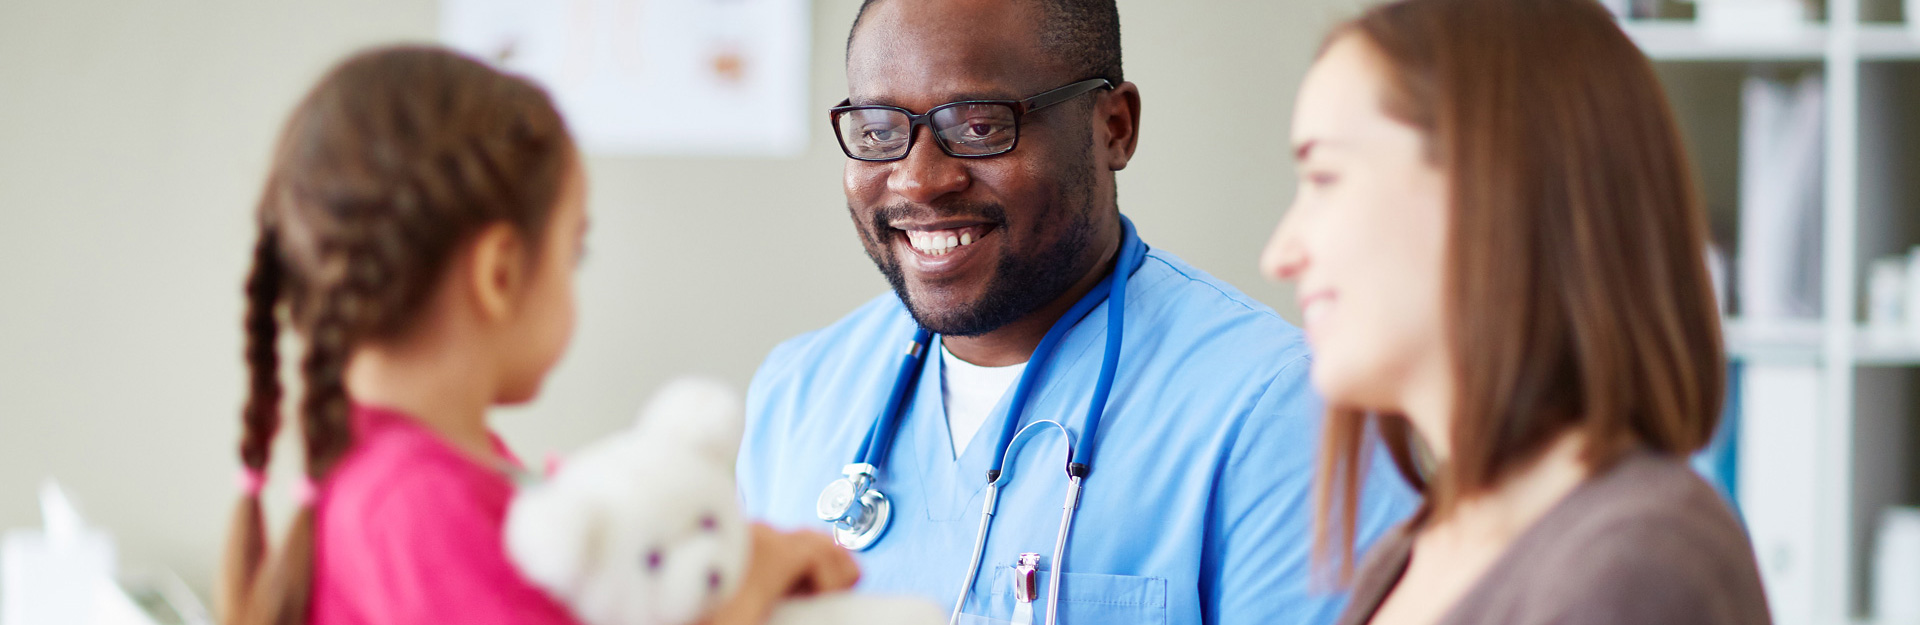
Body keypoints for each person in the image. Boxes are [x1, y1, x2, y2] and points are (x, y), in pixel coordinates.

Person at [736, 1, 1415, 623]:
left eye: (979, 125)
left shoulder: (1282, 410)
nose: (918, 178)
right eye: (880, 130)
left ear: (1114, 127)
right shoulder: (797, 394)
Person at [218, 46, 857, 625]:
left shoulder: (405, 472)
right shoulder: (415, 507)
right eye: (573, 251)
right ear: (499, 273)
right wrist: (761, 570)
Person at [1261, 1, 1772, 624]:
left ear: (1488, 186)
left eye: (1324, 177)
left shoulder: (1636, 567)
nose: (1279, 255)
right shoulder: (1411, 553)